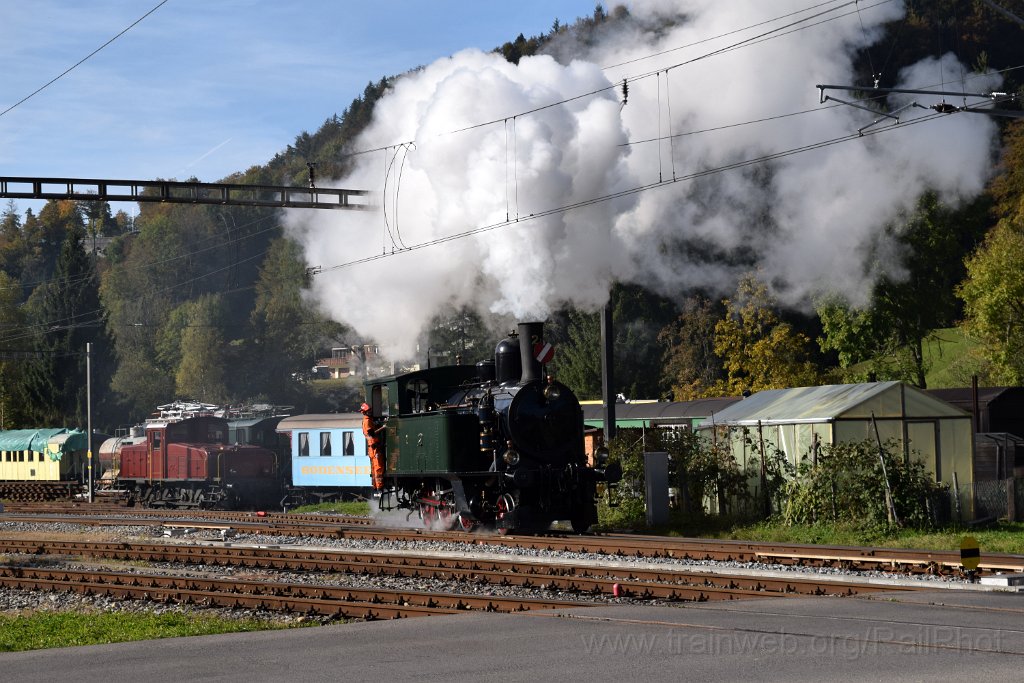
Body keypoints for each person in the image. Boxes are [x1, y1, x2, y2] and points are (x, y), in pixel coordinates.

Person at [360, 402, 385, 490]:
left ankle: (376, 485)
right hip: (374, 446)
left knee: (374, 467)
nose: (370, 412)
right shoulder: (367, 421)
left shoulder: (366, 420)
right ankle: (379, 485)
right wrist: (383, 427)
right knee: (378, 466)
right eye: (368, 411)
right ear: (364, 412)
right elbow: (372, 433)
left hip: (372, 446)